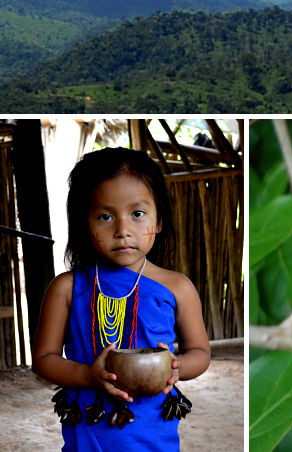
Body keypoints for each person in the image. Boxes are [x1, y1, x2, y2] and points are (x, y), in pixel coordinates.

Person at [32, 147, 210, 451]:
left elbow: (201, 352)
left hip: (153, 435)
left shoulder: (178, 287)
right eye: (104, 216)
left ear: (160, 220)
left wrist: (178, 367)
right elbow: (44, 360)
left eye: (138, 214)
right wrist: (87, 375)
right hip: (89, 434)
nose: (123, 230)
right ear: (84, 225)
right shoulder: (66, 288)